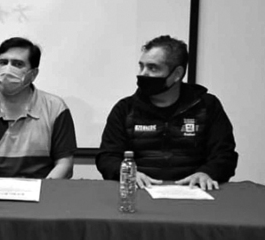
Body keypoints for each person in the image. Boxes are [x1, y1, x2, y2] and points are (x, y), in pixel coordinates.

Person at [96, 35, 237, 190]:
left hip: (194, 191)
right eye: (141, 66)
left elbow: (225, 155)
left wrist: (208, 173)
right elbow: (107, 157)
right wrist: (126, 173)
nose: (143, 74)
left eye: (153, 68)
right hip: (140, 190)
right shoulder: (125, 109)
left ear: (177, 74)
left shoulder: (207, 106)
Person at [0, 37, 77, 178]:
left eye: (18, 64)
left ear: (33, 74)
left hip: (40, 188)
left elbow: (64, 164)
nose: (7, 70)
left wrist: (45, 188)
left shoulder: (56, 108)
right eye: (3, 62)